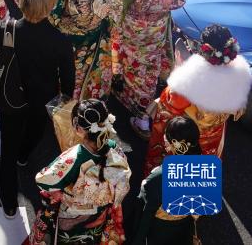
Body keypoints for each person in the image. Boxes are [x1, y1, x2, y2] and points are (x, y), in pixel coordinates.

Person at [0, 0, 75, 219]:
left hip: (11, 97)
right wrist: (66, 99)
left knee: (6, 149)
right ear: (48, 8)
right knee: (34, 134)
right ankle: (24, 155)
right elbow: (68, 78)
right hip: (42, 100)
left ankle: (8, 200)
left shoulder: (7, 30)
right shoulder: (60, 40)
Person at [114, 0, 190, 139]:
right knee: (150, 63)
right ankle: (152, 94)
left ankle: (142, 116)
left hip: (135, 26)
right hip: (158, 25)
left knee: (134, 64)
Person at [143, 24, 251, 175]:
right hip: (214, 132)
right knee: (204, 168)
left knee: (175, 169)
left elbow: (170, 107)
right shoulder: (239, 74)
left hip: (186, 134)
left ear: (204, 49)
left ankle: (159, 188)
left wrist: (161, 100)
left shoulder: (191, 80)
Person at [25, 99, 131, 242]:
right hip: (99, 214)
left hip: (72, 216)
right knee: (91, 238)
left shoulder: (75, 157)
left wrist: (62, 194)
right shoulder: (114, 148)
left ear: (79, 128)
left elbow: (43, 180)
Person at [131, 116, 202, 245]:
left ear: (175, 144)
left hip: (160, 231)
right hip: (185, 229)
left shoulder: (158, 177)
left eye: (166, 135)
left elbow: (145, 218)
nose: (164, 137)